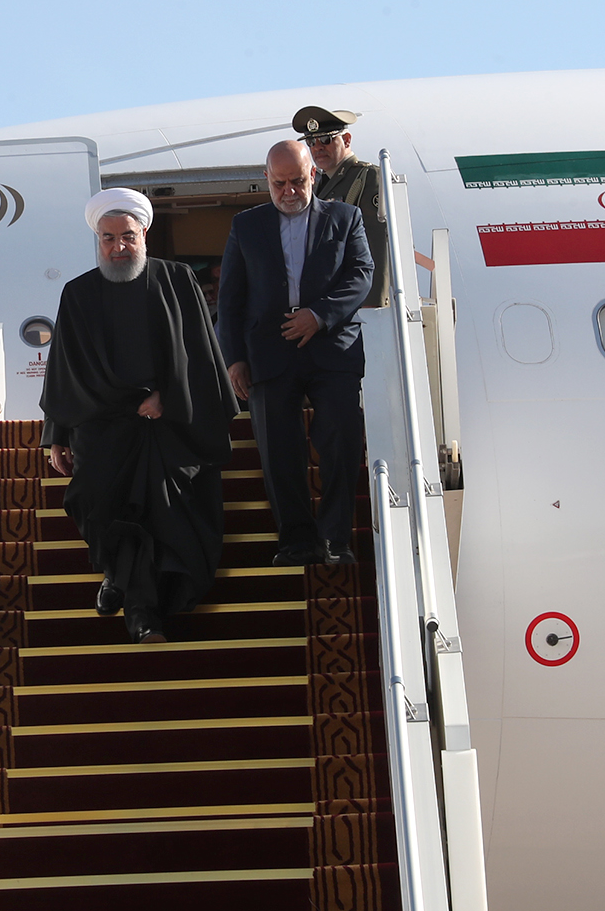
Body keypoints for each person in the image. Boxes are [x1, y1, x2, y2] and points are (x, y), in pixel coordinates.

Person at [41, 187, 239, 643]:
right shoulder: (78, 293)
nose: (118, 247)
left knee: (161, 515)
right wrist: (58, 433)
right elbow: (64, 368)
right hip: (102, 428)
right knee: (96, 501)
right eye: (108, 238)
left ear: (144, 233)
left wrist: (168, 395)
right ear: (98, 240)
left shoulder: (177, 280)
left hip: (167, 425)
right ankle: (116, 575)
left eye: (127, 236)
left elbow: (201, 354)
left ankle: (143, 614)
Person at [217, 141, 373, 567]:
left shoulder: (345, 217)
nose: (289, 191)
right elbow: (230, 299)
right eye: (280, 183)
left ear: (313, 176)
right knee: (279, 452)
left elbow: (361, 275)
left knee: (340, 441)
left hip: (332, 349)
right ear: (266, 179)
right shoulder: (246, 225)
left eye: (298, 182)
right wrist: (234, 359)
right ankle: (297, 542)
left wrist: (318, 316)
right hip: (269, 354)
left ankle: (335, 540)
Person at [293, 105, 389, 306]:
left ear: (346, 140)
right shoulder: (322, 184)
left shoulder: (367, 177)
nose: (317, 147)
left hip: (357, 303)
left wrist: (373, 304)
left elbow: (377, 245)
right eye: (311, 141)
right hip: (332, 302)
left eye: (326, 139)